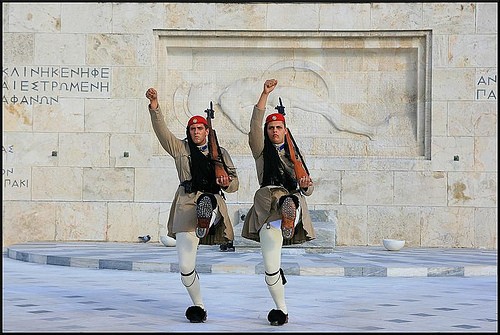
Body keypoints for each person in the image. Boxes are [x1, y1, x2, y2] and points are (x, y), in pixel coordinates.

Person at [145, 87, 239, 323]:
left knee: (207, 201)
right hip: (187, 205)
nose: (196, 132)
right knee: (186, 268)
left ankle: (206, 217)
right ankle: (199, 305)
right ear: (189, 132)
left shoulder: (220, 153)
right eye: (192, 129)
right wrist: (155, 106)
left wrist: (226, 183)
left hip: (212, 200)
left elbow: (235, 182)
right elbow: (162, 132)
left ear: (207, 131)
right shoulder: (180, 149)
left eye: (200, 128)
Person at [241, 79, 316, 326]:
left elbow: (309, 186)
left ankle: (289, 213)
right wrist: (264, 94)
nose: (274, 131)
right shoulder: (261, 151)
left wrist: (305, 185)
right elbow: (254, 126)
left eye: (278, 127)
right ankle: (280, 309)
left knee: (291, 198)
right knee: (271, 266)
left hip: (292, 202)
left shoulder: (295, 154)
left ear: (285, 130)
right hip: (268, 208)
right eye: (271, 127)